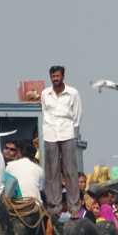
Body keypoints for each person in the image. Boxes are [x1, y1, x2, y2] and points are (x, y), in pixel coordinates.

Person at [41, 65, 81, 217]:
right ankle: (54, 207)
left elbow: (77, 115)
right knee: (52, 172)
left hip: (67, 132)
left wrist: (73, 133)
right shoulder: (45, 93)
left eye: (57, 76)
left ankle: (74, 207)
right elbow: (44, 112)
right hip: (50, 134)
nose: (55, 79)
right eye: (53, 76)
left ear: (63, 76)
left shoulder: (73, 93)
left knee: (70, 171)